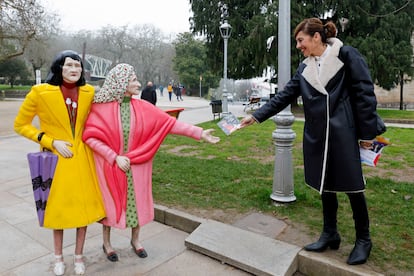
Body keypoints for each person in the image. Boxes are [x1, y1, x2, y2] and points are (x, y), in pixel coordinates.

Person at [240, 18, 385, 265]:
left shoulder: (346, 55)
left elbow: (364, 93)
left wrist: (368, 133)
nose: (298, 46)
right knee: (324, 184)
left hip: (345, 133)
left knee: (353, 186)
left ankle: (364, 240)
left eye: (300, 40)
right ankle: (330, 233)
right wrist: (256, 115)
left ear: (316, 37)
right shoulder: (305, 67)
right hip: (317, 135)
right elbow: (285, 95)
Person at [82, 63, 220, 262]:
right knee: (110, 205)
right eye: (133, 80)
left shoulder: (144, 107)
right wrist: (114, 157)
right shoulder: (100, 109)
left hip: (138, 165)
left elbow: (170, 124)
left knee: (137, 203)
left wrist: (199, 133)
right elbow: (90, 137)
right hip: (111, 166)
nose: (138, 84)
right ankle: (107, 243)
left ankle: (135, 240)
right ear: (121, 84)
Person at [14, 50, 106, 275]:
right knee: (58, 212)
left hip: (83, 160)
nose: (74, 70)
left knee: (82, 212)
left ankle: (78, 256)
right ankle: (58, 257)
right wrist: (50, 141)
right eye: (69, 65)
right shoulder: (40, 92)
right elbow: (20, 125)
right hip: (57, 161)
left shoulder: (89, 92)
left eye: (78, 65)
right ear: (59, 68)